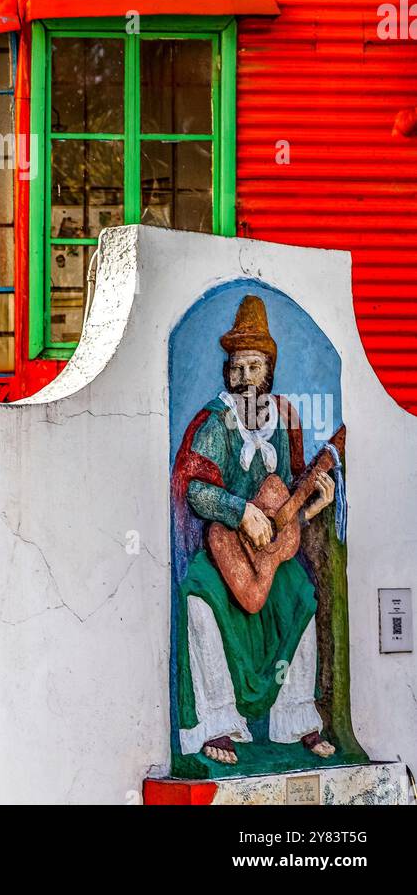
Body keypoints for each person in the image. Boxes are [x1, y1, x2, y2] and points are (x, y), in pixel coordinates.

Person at [172, 296, 337, 765]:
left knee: (302, 596)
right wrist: (239, 511)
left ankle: (297, 719)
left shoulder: (285, 419)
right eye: (239, 367)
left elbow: (289, 495)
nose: (247, 378)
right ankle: (218, 722)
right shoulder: (214, 421)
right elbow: (196, 490)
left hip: (269, 554)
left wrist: (313, 506)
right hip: (227, 547)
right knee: (199, 598)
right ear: (228, 372)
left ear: (269, 372)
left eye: (255, 367)